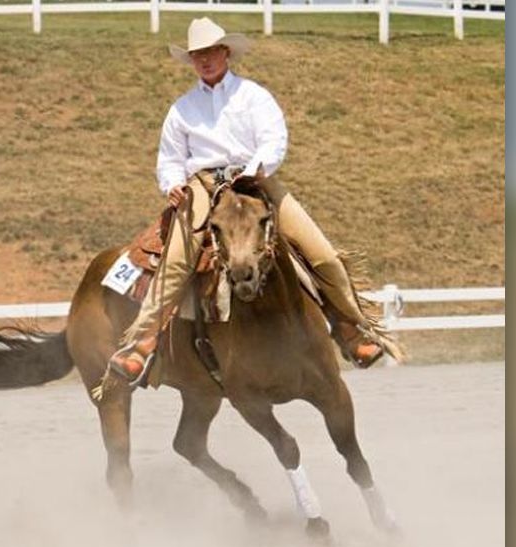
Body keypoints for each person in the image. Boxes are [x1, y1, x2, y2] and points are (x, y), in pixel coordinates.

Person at [109, 17, 384, 382]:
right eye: (197, 55)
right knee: (176, 260)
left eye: (210, 52)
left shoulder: (254, 96)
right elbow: (170, 158)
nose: (204, 60)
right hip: (204, 187)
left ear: (225, 53)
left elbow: (274, 140)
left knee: (322, 253)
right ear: (191, 61)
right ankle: (142, 343)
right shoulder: (181, 109)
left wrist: (255, 169)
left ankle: (351, 328)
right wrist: (173, 183)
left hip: (254, 178)